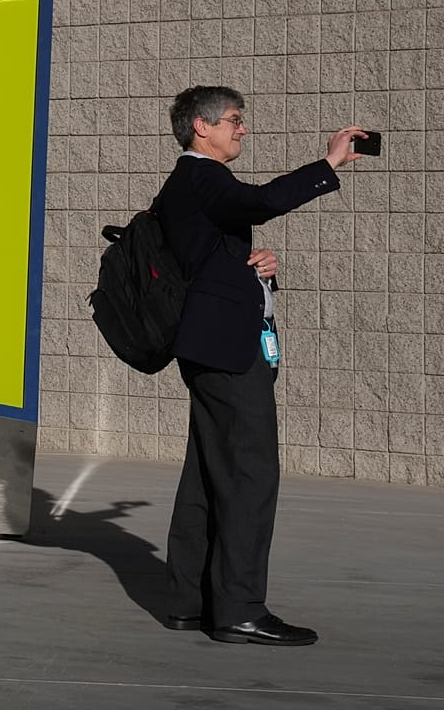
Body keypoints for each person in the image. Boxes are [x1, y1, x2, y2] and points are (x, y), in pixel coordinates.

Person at [155, 85, 366, 646]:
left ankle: (188, 601)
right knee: (250, 473)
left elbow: (212, 256)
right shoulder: (201, 176)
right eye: (233, 120)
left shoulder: (191, 187)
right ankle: (240, 609)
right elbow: (259, 202)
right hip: (227, 351)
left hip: (209, 343)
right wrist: (329, 161)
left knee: (207, 471)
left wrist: (258, 268)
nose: (242, 129)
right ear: (201, 127)